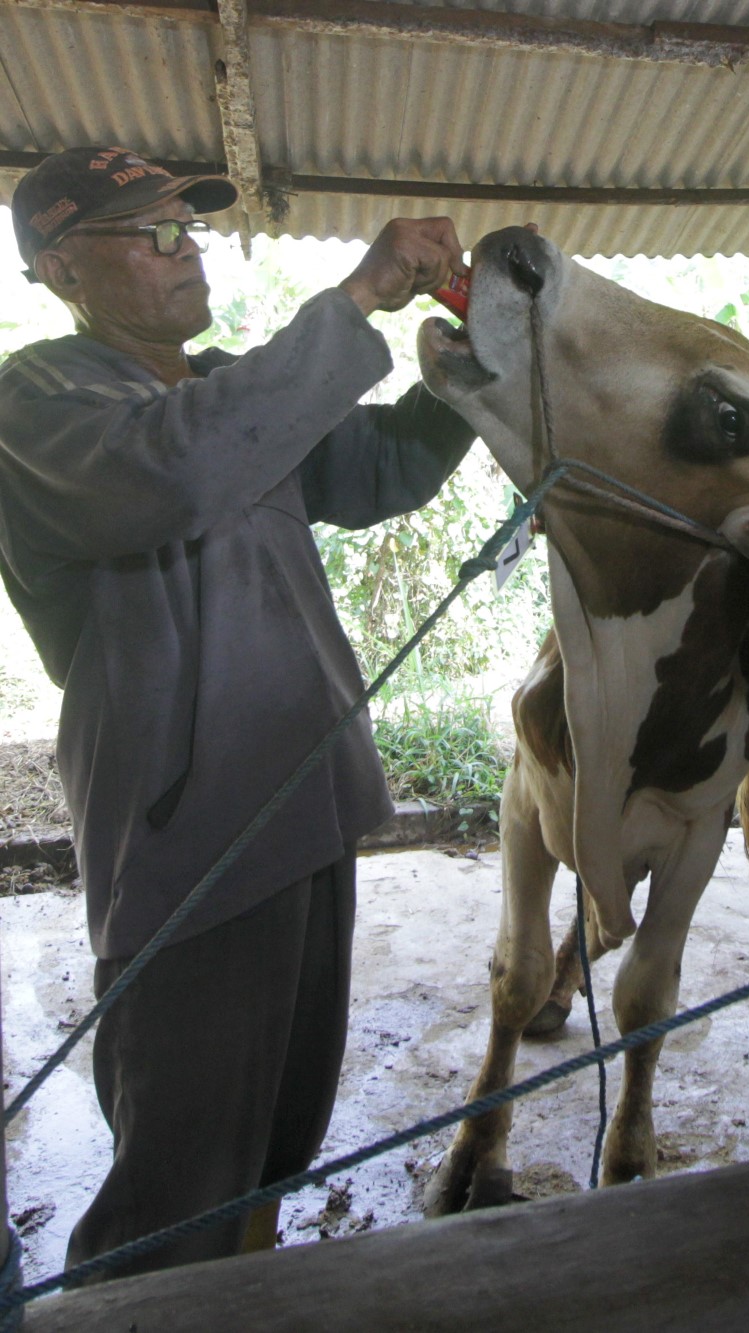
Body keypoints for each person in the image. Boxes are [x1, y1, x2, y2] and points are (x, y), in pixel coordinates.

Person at [0, 146, 478, 1279]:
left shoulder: (224, 390)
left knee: (276, 1136)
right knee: (181, 1173)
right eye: (155, 231)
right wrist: (356, 299)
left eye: (191, 227)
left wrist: (462, 382)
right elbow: (174, 472)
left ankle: (244, 1292)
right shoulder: (41, 402)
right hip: (190, 832)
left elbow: (375, 474)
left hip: (305, 804)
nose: (188, 249)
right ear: (64, 265)